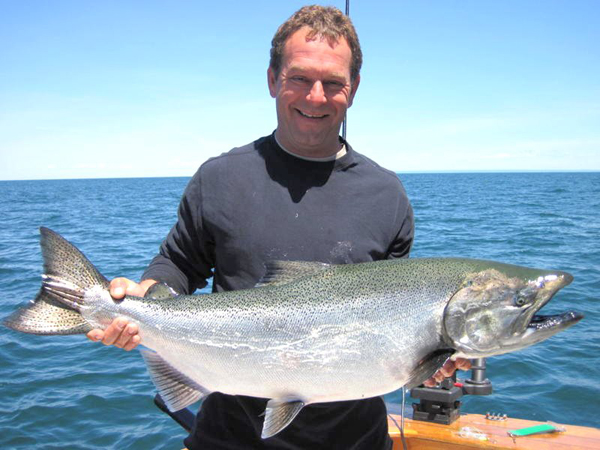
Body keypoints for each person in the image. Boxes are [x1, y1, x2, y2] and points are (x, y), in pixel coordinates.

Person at [87, 5, 470, 449]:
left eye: (332, 83)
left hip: (354, 440)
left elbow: (396, 316)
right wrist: (144, 299)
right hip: (228, 437)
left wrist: (432, 357)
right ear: (272, 80)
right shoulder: (220, 177)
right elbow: (178, 263)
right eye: (300, 79)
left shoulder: (387, 195)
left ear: (354, 88)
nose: (315, 97)